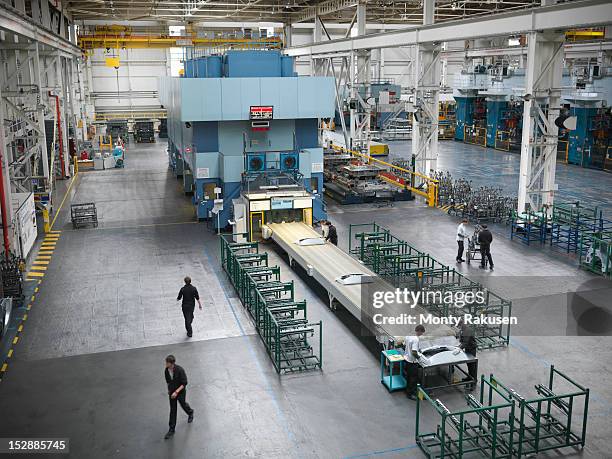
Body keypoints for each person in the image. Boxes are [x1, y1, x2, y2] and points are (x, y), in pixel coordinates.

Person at [164, 355, 194, 439]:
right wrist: (169, 390)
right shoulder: (166, 370)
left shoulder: (180, 370)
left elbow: (184, 383)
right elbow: (168, 382)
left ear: (171, 363)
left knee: (183, 404)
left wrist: (176, 392)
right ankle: (171, 429)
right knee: (173, 410)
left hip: (180, 392)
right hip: (172, 392)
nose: (165, 364)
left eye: (167, 362)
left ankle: (190, 412)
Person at [404, 325, 425, 400]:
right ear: (419, 331)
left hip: (407, 360)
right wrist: (419, 358)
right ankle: (411, 394)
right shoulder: (416, 339)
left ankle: (407, 391)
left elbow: (404, 345)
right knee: (413, 379)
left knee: (409, 377)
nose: (421, 334)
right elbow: (414, 352)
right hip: (412, 362)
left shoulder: (408, 336)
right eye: (421, 333)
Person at [457, 317, 477, 391]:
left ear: (462, 324)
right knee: (469, 364)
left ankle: (473, 383)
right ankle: (469, 377)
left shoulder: (467, 330)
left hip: (471, 349)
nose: (459, 327)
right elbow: (462, 340)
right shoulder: (463, 329)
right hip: (467, 349)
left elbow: (465, 342)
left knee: (472, 366)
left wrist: (459, 348)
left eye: (459, 325)